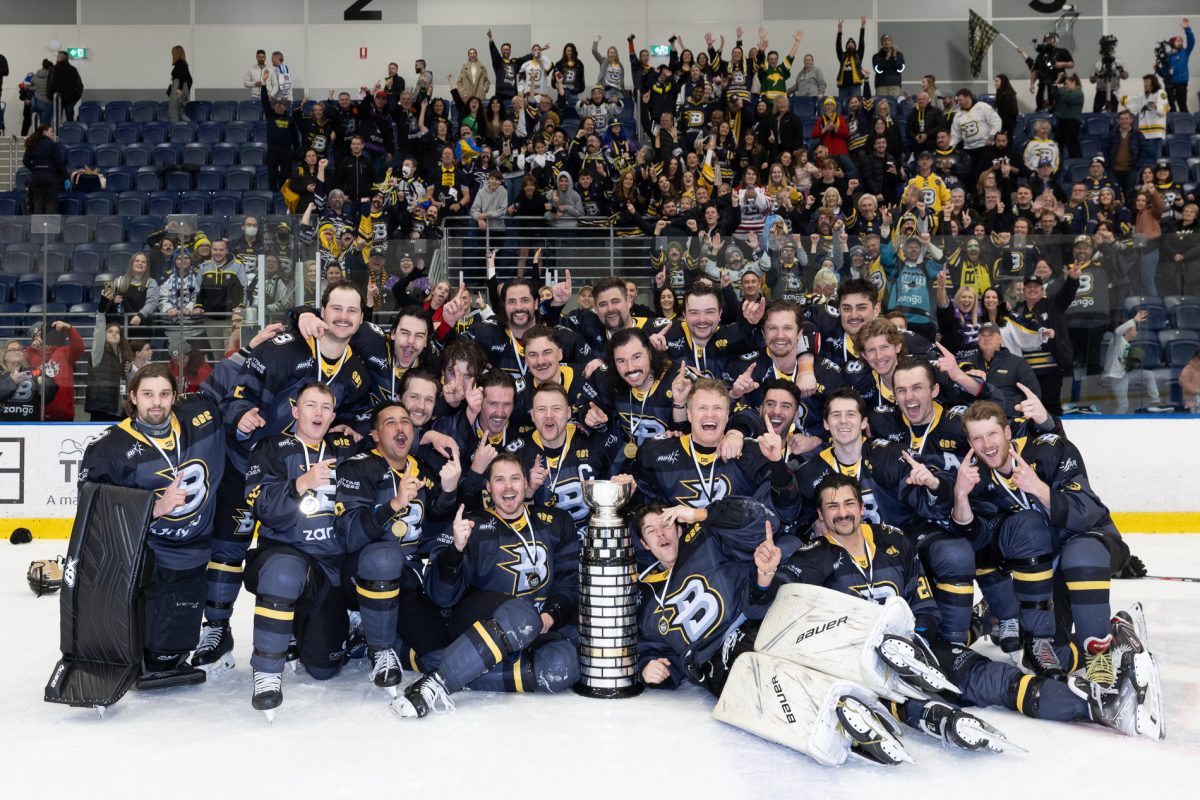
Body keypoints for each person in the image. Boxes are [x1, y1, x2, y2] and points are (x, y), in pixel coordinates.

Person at [191, 281, 372, 675]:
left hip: (303, 475)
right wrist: (241, 416)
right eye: (335, 308)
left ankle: (291, 629)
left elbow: (360, 412)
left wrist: (353, 429)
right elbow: (238, 393)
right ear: (322, 311)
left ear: (361, 319)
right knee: (228, 550)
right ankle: (217, 629)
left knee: (295, 553)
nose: (343, 317)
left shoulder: (356, 370)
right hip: (250, 465)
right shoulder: (282, 349)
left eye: (352, 310)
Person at [951, 400, 1131, 681]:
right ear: (970, 442)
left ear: (1008, 432)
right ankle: (1118, 637)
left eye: (992, 434)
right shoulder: (975, 478)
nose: (987, 444)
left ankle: (1099, 658)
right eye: (977, 438)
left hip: (1093, 543)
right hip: (1047, 568)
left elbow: (1086, 513)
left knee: (1079, 554)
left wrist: (1038, 488)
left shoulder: (1049, 449)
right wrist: (960, 496)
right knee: (1050, 658)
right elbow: (978, 542)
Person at [392, 454, 582, 718]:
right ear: (488, 488)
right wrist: (456, 549)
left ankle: (449, 665)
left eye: (515, 478)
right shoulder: (472, 524)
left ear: (526, 483)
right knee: (521, 615)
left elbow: (570, 581)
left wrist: (551, 615)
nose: (508, 487)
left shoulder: (556, 522)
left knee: (563, 667)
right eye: (499, 480)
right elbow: (440, 596)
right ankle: (438, 682)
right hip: (481, 620)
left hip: (539, 625)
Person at [77, 363, 225, 687]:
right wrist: (154, 509)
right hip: (146, 555)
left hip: (195, 550)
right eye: (147, 394)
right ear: (132, 396)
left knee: (169, 652)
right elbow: (94, 510)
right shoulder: (108, 448)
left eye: (164, 394)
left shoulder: (196, 417)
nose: (156, 402)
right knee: (151, 653)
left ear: (175, 396)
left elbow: (232, 378)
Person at [241, 382, 360, 715]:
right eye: (310, 405)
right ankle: (266, 672)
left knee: (324, 668)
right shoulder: (271, 448)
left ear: (334, 415)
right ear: (295, 410)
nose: (318, 413)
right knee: (283, 574)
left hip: (330, 566)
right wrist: (301, 483)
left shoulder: (345, 449)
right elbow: (260, 506)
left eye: (325, 407)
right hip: (285, 554)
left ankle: (313, 625)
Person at [1103, 310, 1162, 413]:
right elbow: (1117, 331)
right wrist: (1134, 320)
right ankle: (1113, 425)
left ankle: (1155, 403)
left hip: (1123, 376)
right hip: (1114, 379)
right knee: (1124, 406)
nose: (1136, 331)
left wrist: (1132, 364)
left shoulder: (1127, 344)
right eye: (1135, 329)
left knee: (1148, 375)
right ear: (1127, 330)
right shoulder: (1117, 340)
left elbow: (1121, 364)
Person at [85, 323, 133, 422]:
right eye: (110, 331)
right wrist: (101, 315)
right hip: (101, 406)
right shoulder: (99, 352)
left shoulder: (123, 354)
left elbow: (125, 380)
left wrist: (129, 369)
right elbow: (97, 334)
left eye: (117, 332)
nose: (114, 334)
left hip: (119, 405)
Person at [22, 124, 65, 214]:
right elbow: (59, 162)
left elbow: (25, 161)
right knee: (51, 205)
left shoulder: (32, 143)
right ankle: (49, 228)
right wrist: (65, 176)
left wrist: (35, 169)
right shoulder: (53, 145)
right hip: (51, 178)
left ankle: (38, 228)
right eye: (51, 131)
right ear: (44, 132)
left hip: (36, 179)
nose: (53, 134)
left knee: (38, 205)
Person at [1160, 18, 1193, 112]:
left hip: (1181, 84)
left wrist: (1187, 29)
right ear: (1172, 43)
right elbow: (1164, 74)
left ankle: (1186, 125)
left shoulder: (1184, 52)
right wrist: (1158, 68)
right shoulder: (1167, 56)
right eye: (1178, 41)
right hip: (1170, 85)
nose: (1181, 42)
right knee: (1171, 108)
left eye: (1181, 41)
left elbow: (1191, 42)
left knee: (1182, 106)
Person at [834, 17, 867, 105]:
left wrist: (862, 27)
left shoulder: (858, 55)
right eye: (849, 44)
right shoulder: (842, 56)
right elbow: (838, 46)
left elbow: (861, 43)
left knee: (856, 106)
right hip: (843, 87)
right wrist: (839, 31)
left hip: (855, 86)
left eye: (852, 44)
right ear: (846, 46)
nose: (850, 45)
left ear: (855, 47)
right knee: (843, 106)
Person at [46, 50, 83, 122]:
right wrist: (76, 97)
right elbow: (80, 85)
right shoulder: (73, 69)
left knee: (57, 119)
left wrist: (50, 96)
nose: (56, 58)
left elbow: (49, 84)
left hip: (57, 98)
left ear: (60, 58)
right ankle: (70, 132)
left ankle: (57, 132)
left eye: (57, 56)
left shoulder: (54, 69)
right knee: (70, 117)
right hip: (70, 98)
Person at [871, 34, 905, 98]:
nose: (887, 42)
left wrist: (895, 58)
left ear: (891, 43)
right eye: (884, 40)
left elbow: (900, 69)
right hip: (881, 86)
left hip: (895, 85)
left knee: (894, 106)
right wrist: (886, 58)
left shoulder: (898, 55)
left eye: (889, 40)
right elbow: (878, 70)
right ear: (881, 43)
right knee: (881, 106)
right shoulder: (876, 56)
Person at [169, 45, 193, 123]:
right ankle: (192, 126)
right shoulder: (184, 64)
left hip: (178, 86)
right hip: (183, 88)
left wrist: (180, 89)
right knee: (181, 113)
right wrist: (186, 92)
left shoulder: (179, 64)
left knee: (173, 112)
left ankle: (175, 131)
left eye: (173, 53)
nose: (172, 55)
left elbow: (182, 77)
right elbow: (190, 80)